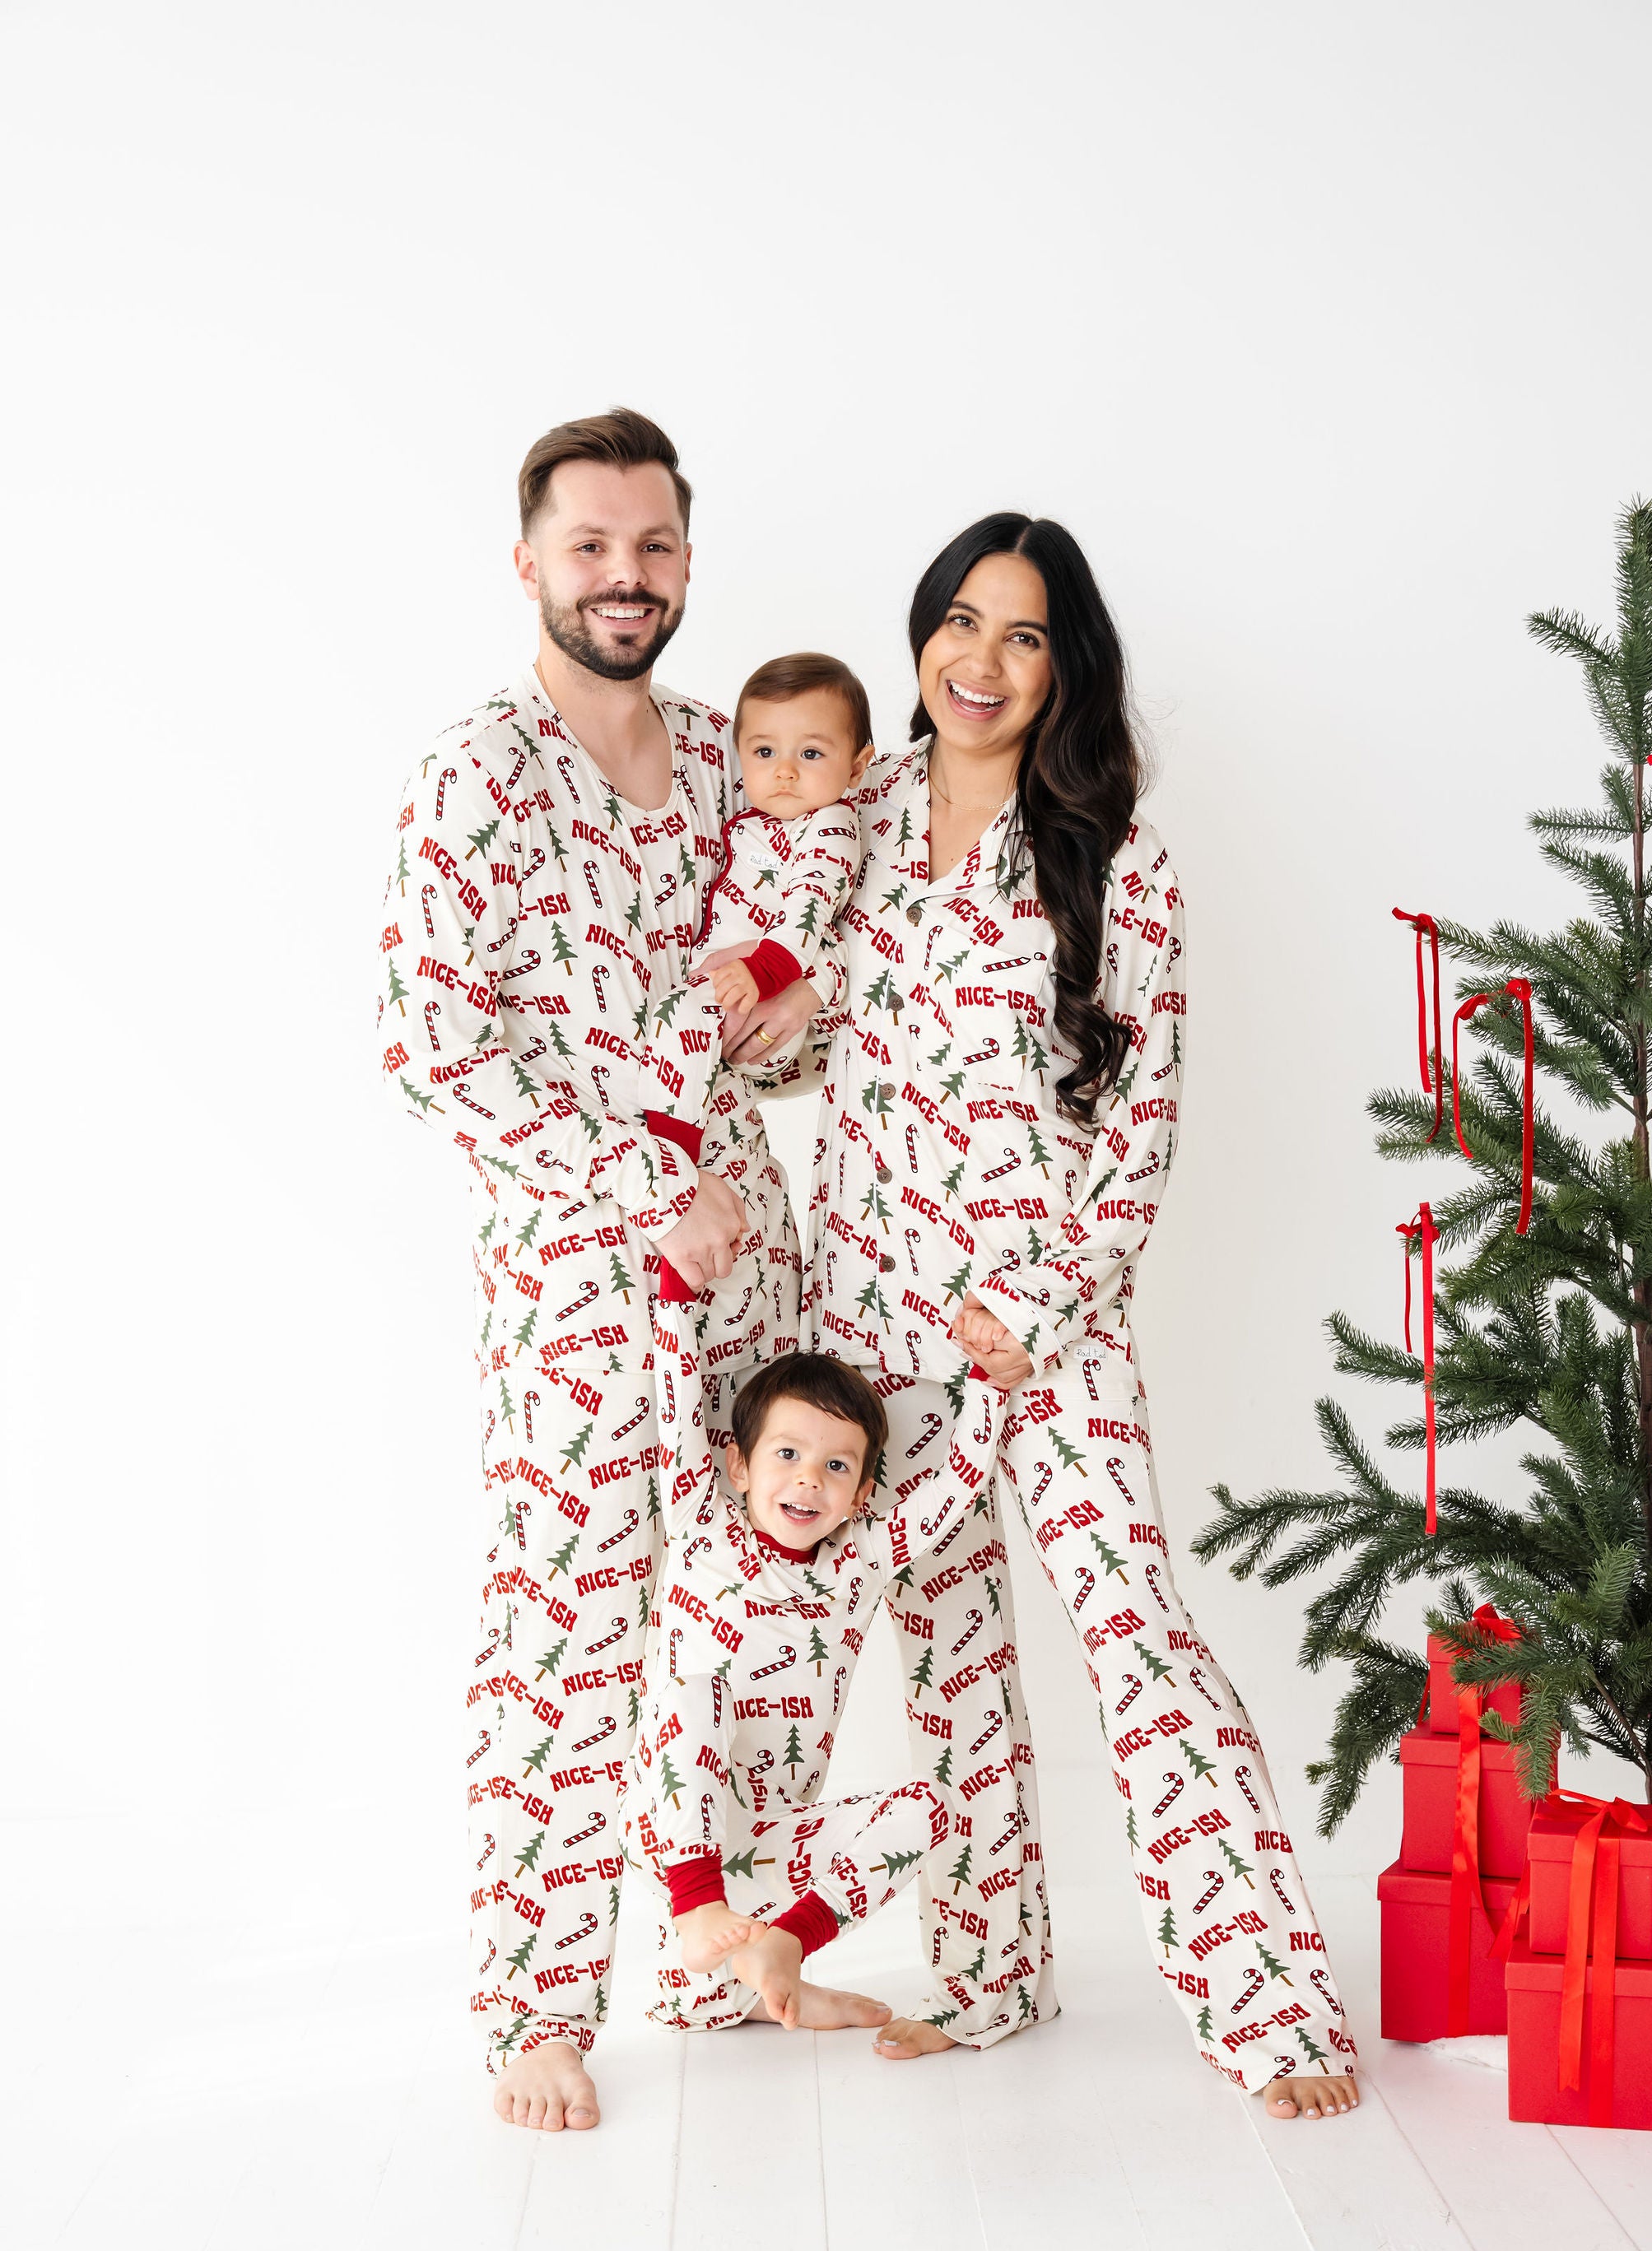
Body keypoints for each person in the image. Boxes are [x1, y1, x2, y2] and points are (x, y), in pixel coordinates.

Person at [802, 513, 1361, 2118]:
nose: (980, 661)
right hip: (872, 1325)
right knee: (952, 1657)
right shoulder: (836, 827)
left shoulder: (1117, 863)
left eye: (1024, 635)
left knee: (1137, 1639)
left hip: (1043, 1325)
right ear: (920, 636)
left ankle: (1265, 2003)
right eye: (960, 623)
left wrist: (1036, 1302)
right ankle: (993, 1979)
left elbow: (1139, 1129)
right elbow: (790, 1053)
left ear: (1066, 668)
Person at [374, 409, 864, 2137]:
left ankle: (720, 1951)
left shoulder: (750, 758)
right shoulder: (478, 777)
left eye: (651, 547)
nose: (623, 577)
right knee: (568, 1640)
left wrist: (789, 1009)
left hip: (756, 1298)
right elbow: (434, 1041)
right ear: (530, 564)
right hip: (587, 1294)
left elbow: (806, 1036)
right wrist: (629, 1190)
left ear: (684, 561)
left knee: (761, 1622)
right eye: (590, 547)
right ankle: (536, 2005)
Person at [624, 1345, 1004, 2030]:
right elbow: (677, 1400)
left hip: (772, 1844)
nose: (808, 1481)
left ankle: (784, 1947)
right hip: (671, 1829)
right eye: (788, 1455)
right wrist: (679, 1289)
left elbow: (956, 1486)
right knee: (697, 1694)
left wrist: (988, 1383)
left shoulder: (857, 1564)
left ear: (861, 1496)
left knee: (933, 1805)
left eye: (836, 1466)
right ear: (739, 1465)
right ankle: (700, 1908)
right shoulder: (700, 1524)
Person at [640, 653, 871, 1304]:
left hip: (762, 986)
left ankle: (671, 1178)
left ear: (857, 766)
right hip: (742, 991)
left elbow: (810, 909)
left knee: (677, 1031)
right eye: (765, 751)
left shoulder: (830, 828)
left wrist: (760, 970)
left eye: (812, 753)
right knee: (678, 1058)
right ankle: (676, 1177)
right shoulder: (757, 823)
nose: (785, 771)